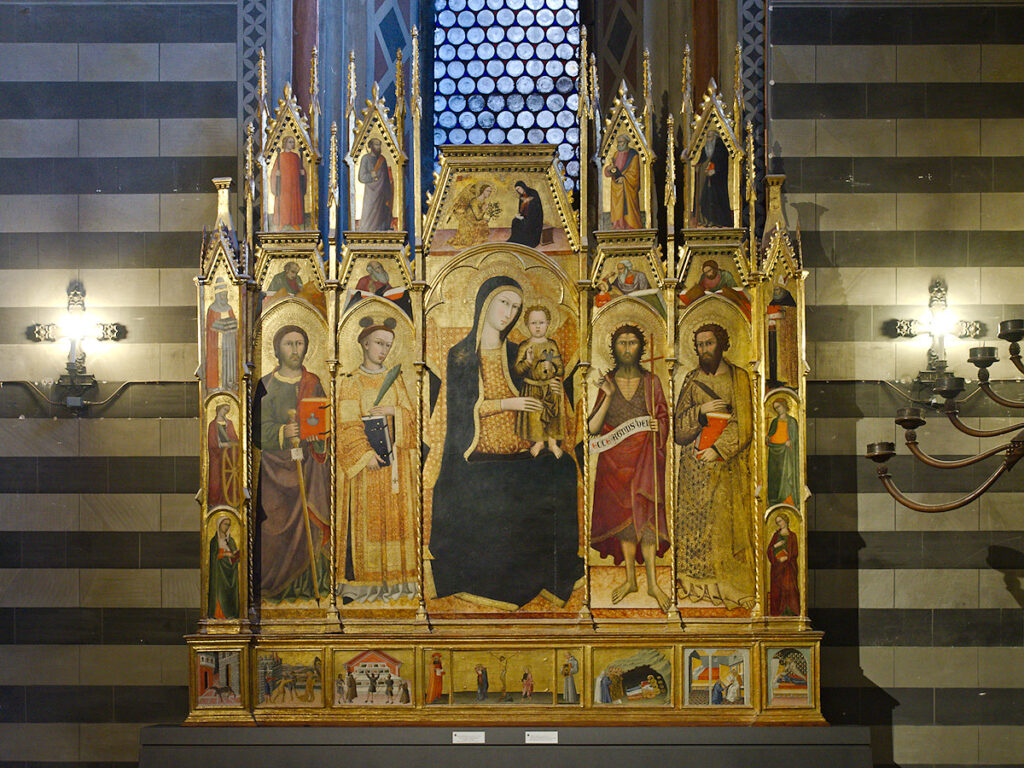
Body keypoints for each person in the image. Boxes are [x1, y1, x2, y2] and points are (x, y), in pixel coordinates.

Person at [428, 276, 582, 610]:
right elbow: (460, 412)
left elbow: (538, 387)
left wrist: (552, 391)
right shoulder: (461, 355)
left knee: (563, 468)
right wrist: (505, 404)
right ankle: (486, 581)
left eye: (515, 307)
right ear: (485, 304)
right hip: (478, 454)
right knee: (489, 488)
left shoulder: (517, 351)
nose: (509, 313)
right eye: (504, 303)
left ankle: (551, 574)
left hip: (522, 448)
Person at [589, 325, 671, 611]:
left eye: (632, 343)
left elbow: (664, 417)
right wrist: (608, 395)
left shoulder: (651, 382)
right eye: (622, 343)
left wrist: (658, 425)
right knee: (623, 521)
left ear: (641, 347)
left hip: (645, 459)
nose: (627, 349)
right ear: (614, 348)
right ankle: (630, 580)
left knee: (646, 520)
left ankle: (653, 583)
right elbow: (593, 428)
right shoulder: (608, 382)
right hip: (614, 463)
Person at [336, 316, 417, 603]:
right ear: (364, 344)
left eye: (388, 345)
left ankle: (397, 583)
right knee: (367, 524)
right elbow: (346, 425)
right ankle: (366, 586)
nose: (384, 350)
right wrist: (364, 454)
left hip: (396, 466)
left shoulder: (395, 379)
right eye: (379, 343)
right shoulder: (351, 382)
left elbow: (412, 417)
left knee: (396, 522)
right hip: (367, 468)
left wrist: (394, 411)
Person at [674, 323, 755, 610]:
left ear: (721, 344)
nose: (704, 350)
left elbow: (745, 424)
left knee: (722, 527)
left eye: (709, 343)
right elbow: (678, 429)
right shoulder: (692, 379)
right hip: (693, 467)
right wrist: (700, 411)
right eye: (699, 345)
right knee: (694, 525)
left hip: (725, 467)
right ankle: (694, 586)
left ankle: (728, 589)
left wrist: (718, 450)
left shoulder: (738, 377)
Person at [253, 325, 331, 602]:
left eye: (300, 343)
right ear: (277, 349)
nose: (295, 350)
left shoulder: (313, 382)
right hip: (274, 472)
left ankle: (309, 586)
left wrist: (318, 438)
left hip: (308, 469)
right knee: (273, 528)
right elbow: (255, 430)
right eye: (289, 344)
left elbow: (323, 423)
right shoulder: (266, 384)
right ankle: (274, 586)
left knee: (309, 524)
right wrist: (281, 432)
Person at [513, 305, 565, 458]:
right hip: (532, 387)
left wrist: (552, 367)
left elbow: (561, 369)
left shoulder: (551, 345)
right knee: (535, 415)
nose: (537, 327)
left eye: (541, 323)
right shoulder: (525, 346)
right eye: (533, 323)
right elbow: (517, 370)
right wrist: (528, 362)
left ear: (548, 324)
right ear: (527, 325)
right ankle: (539, 442)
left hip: (550, 387)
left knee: (552, 416)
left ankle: (553, 443)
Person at [678, 259, 750, 319]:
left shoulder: (725, 275)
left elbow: (734, 290)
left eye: (709, 271)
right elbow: (700, 290)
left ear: (715, 268)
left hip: (726, 305)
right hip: (709, 305)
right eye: (705, 272)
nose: (708, 274)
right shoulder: (704, 277)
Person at [205, 276, 238, 392]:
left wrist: (231, 325)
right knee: (218, 364)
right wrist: (219, 326)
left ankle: (229, 384)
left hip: (229, 344)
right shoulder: (212, 309)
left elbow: (235, 323)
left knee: (229, 364)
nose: (224, 297)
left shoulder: (229, 308)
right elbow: (210, 326)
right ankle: (217, 385)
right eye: (222, 295)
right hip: (217, 344)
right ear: (217, 295)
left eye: (225, 294)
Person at [766, 399, 800, 508]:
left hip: (786, 452)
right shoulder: (774, 421)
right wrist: (768, 438)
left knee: (786, 475)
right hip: (774, 452)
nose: (777, 410)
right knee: (775, 475)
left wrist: (791, 441)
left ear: (784, 406)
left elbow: (796, 438)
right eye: (775, 408)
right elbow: (771, 435)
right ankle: (774, 501)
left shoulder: (792, 421)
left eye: (779, 407)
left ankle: (787, 500)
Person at [604, 135, 643, 229]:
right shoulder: (616, 154)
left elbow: (634, 173)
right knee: (617, 206)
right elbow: (610, 169)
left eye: (621, 142)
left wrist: (624, 178)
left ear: (627, 143)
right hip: (616, 186)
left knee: (629, 206)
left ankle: (631, 225)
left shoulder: (633, 155)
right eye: (618, 142)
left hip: (628, 186)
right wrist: (609, 168)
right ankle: (617, 224)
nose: (619, 144)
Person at [695, 132, 731, 227]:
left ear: (715, 137)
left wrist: (715, 170)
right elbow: (701, 161)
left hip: (718, 181)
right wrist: (699, 166)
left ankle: (718, 221)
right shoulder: (705, 148)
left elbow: (722, 163)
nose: (708, 139)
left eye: (710, 137)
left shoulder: (720, 148)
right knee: (705, 199)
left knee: (717, 200)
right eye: (707, 137)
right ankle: (707, 220)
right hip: (707, 179)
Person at [207, 515, 240, 619]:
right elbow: (213, 557)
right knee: (219, 593)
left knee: (229, 595)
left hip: (230, 573)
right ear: (219, 524)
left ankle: (230, 614)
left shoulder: (231, 541)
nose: (226, 527)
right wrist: (225, 554)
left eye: (228, 525)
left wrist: (235, 556)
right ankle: (218, 615)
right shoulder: (214, 541)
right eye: (225, 524)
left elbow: (236, 557)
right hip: (219, 574)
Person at [357, 138, 394, 231]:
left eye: (379, 145)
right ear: (371, 146)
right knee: (369, 217)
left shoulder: (382, 160)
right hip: (370, 194)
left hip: (381, 195)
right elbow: (361, 177)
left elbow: (386, 179)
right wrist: (371, 176)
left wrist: (388, 194)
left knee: (381, 218)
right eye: (376, 145)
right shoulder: (365, 159)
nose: (378, 147)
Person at [767, 512, 800, 616]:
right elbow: (769, 550)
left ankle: (791, 611)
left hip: (789, 567)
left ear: (785, 521)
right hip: (777, 567)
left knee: (789, 587)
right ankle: (778, 612)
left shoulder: (792, 535)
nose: (779, 524)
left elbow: (795, 552)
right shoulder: (776, 535)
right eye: (777, 522)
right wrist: (776, 546)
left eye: (780, 521)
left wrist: (786, 557)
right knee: (778, 589)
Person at [207, 404, 239, 508]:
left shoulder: (229, 423)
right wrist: (222, 445)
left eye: (228, 410)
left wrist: (233, 444)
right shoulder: (212, 425)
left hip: (229, 456)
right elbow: (212, 443)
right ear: (219, 409)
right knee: (216, 479)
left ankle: (228, 501)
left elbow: (234, 438)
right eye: (225, 409)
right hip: (216, 456)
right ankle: (214, 502)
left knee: (228, 479)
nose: (226, 412)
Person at [271, 135, 306, 229]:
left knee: (294, 201)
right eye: (290, 142)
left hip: (294, 184)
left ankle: (294, 222)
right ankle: (282, 222)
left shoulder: (296, 156)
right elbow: (274, 171)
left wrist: (303, 172)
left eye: (293, 142)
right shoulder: (280, 156)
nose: (292, 144)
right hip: (284, 184)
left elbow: (300, 168)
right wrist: (276, 173)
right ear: (285, 143)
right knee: (283, 201)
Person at [448, 182, 497, 247]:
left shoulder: (483, 202)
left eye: (490, 191)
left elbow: (478, 216)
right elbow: (478, 217)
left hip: (474, 220)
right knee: (483, 224)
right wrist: (484, 210)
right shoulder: (475, 202)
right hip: (468, 222)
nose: (489, 193)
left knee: (484, 223)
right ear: (483, 191)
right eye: (487, 191)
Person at [507, 180, 544, 247]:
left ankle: (525, 242)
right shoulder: (521, 196)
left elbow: (536, 207)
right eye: (517, 190)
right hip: (525, 217)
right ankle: (515, 239)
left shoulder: (533, 192)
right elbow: (520, 209)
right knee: (515, 221)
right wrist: (519, 215)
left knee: (525, 224)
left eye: (518, 188)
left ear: (522, 186)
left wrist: (528, 202)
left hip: (534, 217)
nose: (518, 191)